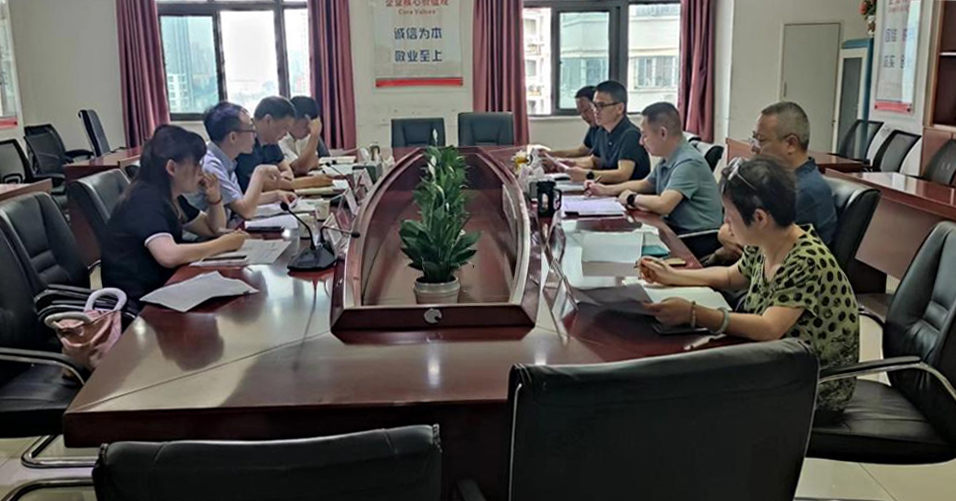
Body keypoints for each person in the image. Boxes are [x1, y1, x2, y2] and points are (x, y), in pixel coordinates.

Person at [640, 156, 859, 418]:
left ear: (759, 217)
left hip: (812, 387)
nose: (725, 223)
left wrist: (695, 313)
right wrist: (673, 276)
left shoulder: (807, 260)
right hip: (773, 361)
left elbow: (769, 328)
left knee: (685, 391)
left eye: (730, 216)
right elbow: (731, 276)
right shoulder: (766, 241)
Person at [101, 125, 248, 302]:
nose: (201, 172)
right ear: (172, 168)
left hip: (163, 284)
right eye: (196, 164)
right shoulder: (144, 199)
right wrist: (223, 244)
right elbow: (168, 256)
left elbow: (213, 228)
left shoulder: (170, 196)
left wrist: (214, 198)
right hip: (137, 300)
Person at [712, 101, 838, 265]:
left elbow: (757, 251)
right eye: (754, 139)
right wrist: (726, 229)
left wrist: (727, 232)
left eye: (761, 140)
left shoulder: (804, 193)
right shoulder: (774, 182)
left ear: (791, 144)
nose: (754, 149)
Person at [586, 102, 723, 235]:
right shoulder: (669, 157)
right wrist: (606, 190)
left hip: (695, 237)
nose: (640, 142)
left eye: (644, 135)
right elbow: (645, 184)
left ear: (663, 133)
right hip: (673, 228)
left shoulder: (689, 162)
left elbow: (664, 204)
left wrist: (631, 198)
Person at [190, 102, 295, 221]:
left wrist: (276, 195)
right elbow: (245, 211)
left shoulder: (226, 159)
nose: (255, 135)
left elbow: (241, 200)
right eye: (251, 129)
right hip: (206, 232)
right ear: (233, 137)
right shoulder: (211, 165)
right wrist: (260, 172)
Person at [546, 80, 651, 183]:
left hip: (628, 192)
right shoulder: (602, 130)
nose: (596, 110)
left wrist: (587, 174)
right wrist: (572, 163)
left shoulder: (631, 135)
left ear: (619, 108)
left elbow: (622, 174)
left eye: (601, 105)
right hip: (605, 190)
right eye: (594, 105)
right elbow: (595, 161)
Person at [235, 96, 297, 192]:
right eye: (285, 128)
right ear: (268, 120)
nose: (286, 134)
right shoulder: (245, 141)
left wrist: (281, 178)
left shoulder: (271, 141)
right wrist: (310, 182)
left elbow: (287, 171)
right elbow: (263, 184)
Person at [280, 96, 332, 176]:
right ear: (293, 120)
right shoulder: (279, 138)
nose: (309, 130)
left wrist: (305, 163)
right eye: (306, 125)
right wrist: (314, 136)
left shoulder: (304, 137)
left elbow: (315, 161)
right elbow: (300, 168)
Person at [545, 86, 600, 160]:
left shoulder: (607, 129)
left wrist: (559, 161)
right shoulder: (594, 128)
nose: (583, 116)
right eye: (580, 112)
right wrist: (549, 154)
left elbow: (594, 162)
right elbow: (582, 151)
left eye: (586, 110)